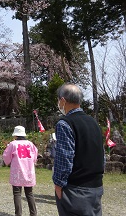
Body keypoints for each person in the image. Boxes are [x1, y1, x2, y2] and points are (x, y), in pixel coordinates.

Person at [53, 83, 104, 216]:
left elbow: (64, 158)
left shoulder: (65, 123)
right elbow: (101, 155)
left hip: (75, 189)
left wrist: (58, 184)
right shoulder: (94, 123)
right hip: (96, 187)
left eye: (59, 100)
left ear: (63, 100)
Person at [3, 125, 38, 216]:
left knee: (17, 194)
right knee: (29, 193)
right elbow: (35, 154)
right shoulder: (30, 144)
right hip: (28, 171)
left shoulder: (13, 144)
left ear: (16, 135)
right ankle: (33, 213)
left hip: (17, 172)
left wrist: (8, 162)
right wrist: (32, 161)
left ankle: (18, 214)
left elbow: (6, 156)